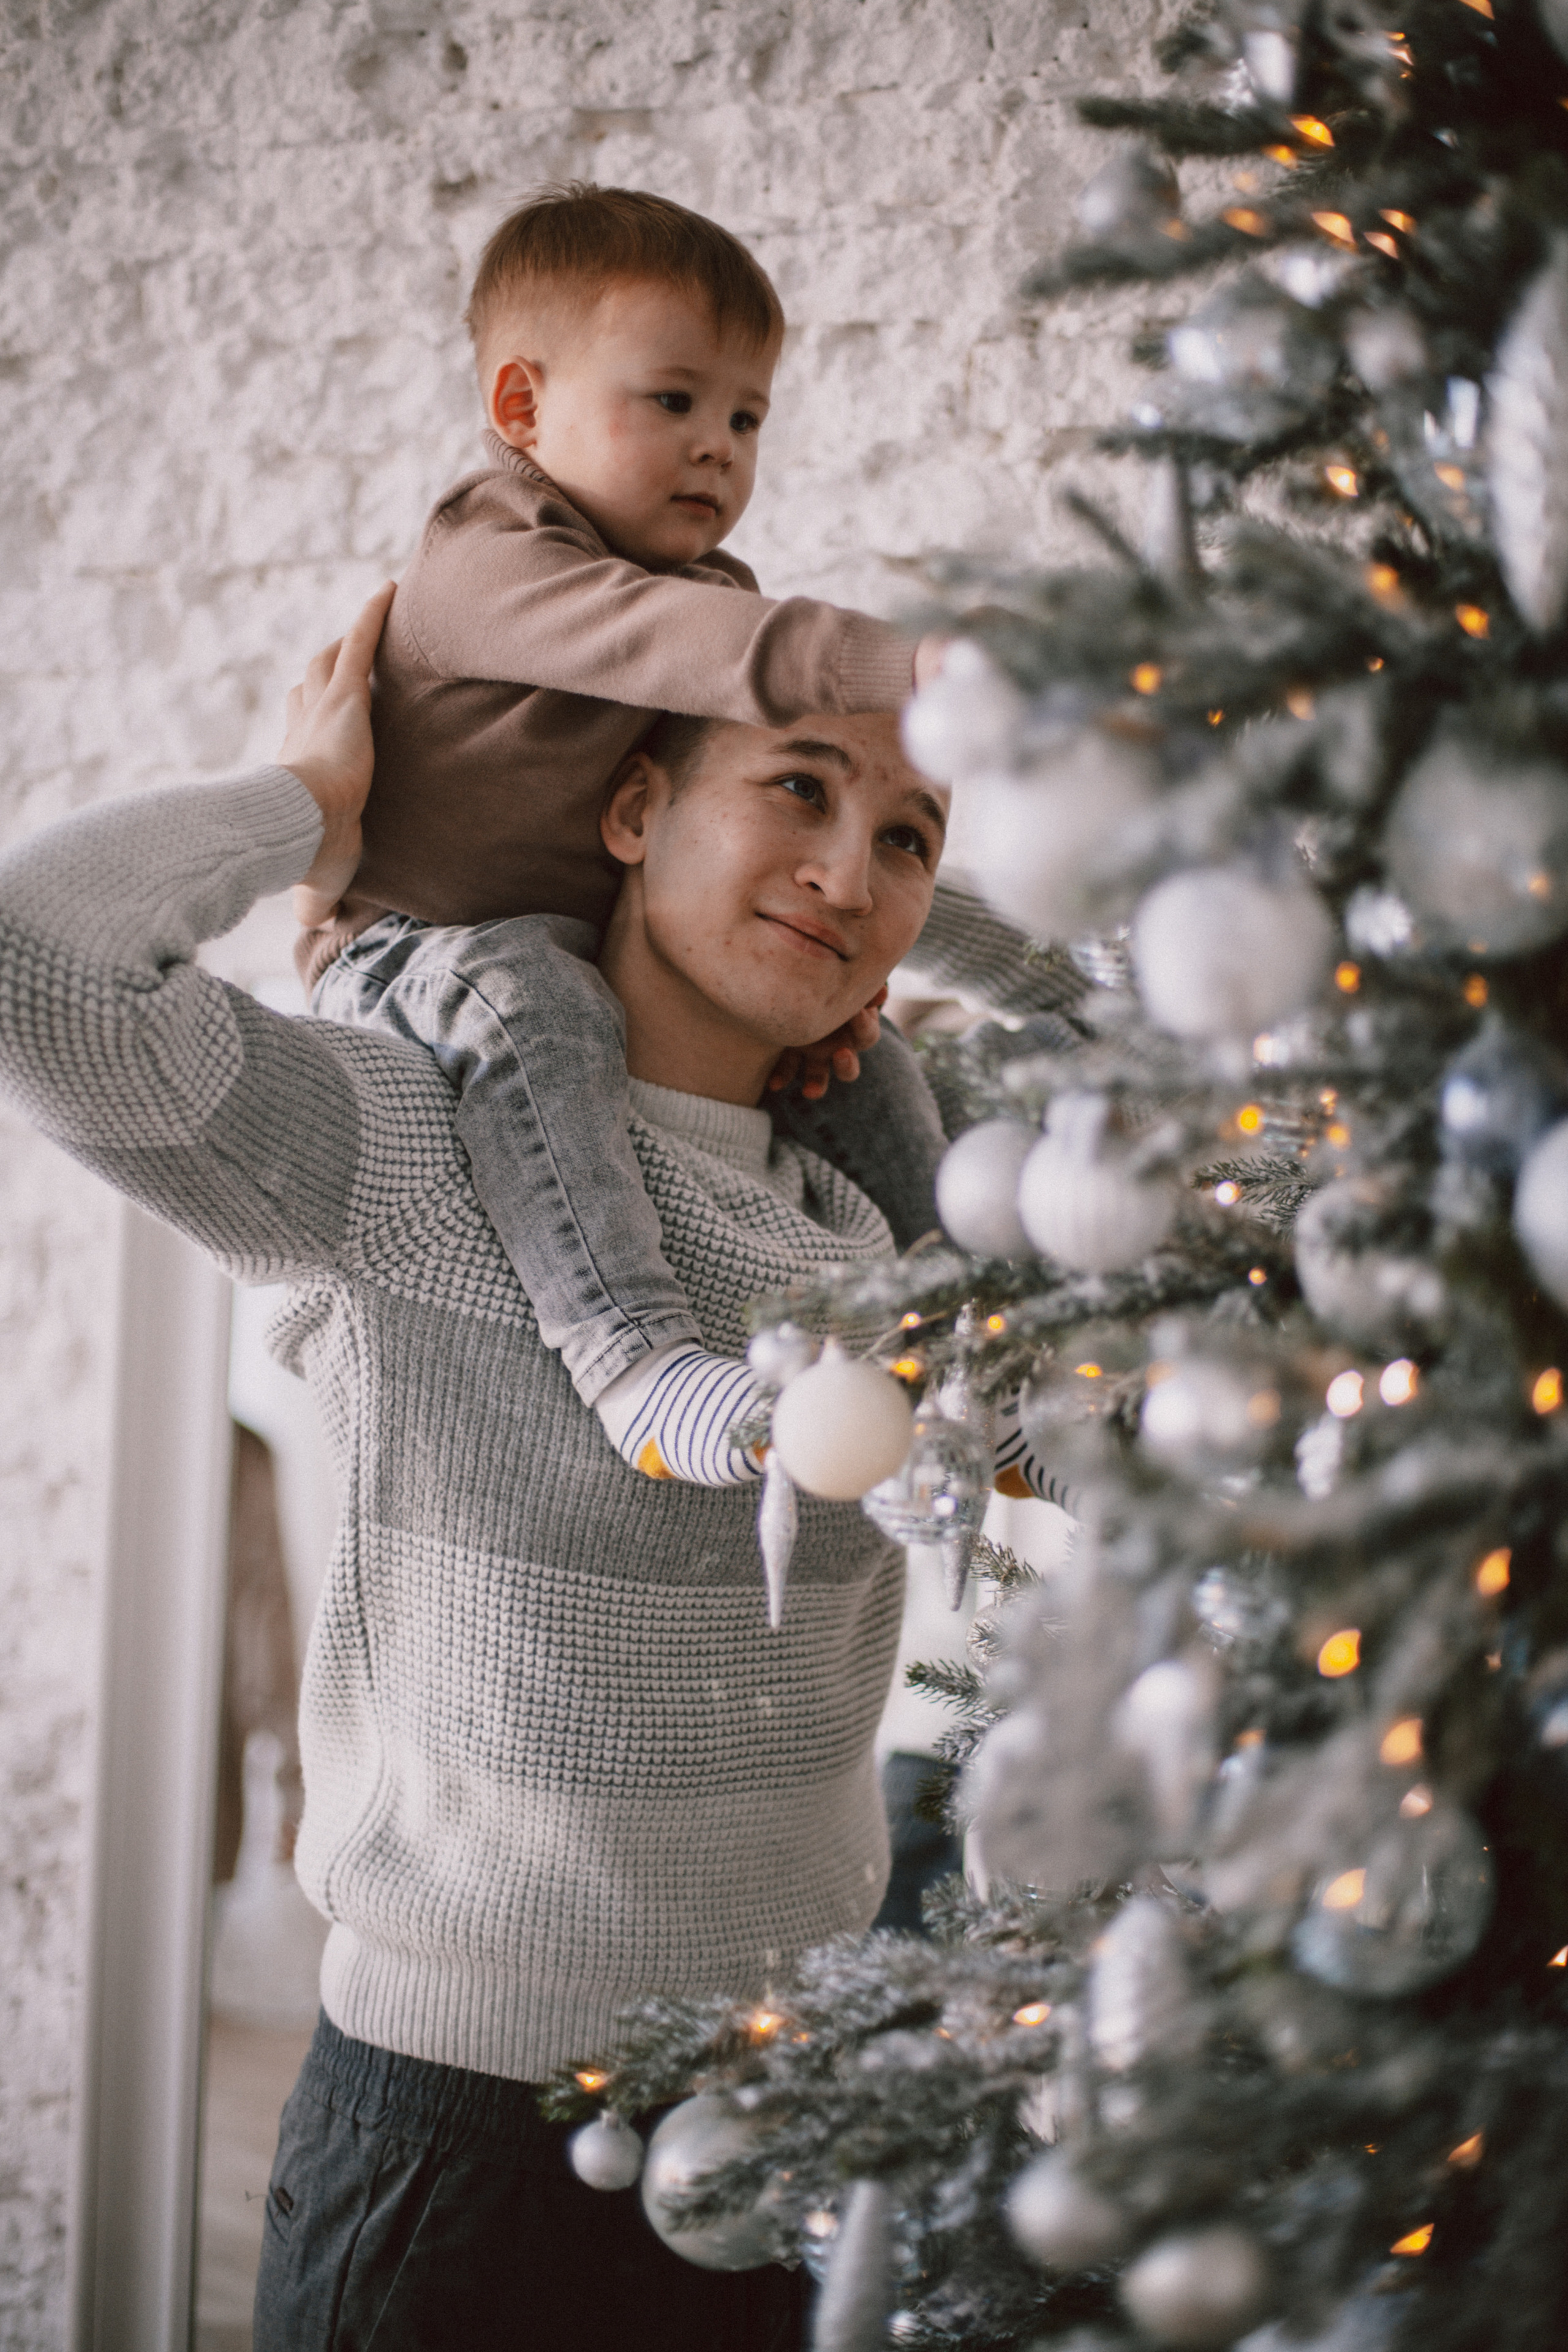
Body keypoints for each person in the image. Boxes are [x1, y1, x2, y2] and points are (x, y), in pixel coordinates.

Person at [0, 594, 1057, 2348]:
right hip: (457, 2143)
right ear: (634, 813)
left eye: (906, 838)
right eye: (793, 789)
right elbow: (43, 960)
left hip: (786, 2128)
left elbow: (1216, 1088)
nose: (848, 871)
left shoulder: (893, 1216)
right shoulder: (410, 1138)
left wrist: (962, 916)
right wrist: (304, 807)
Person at [298, 182, 956, 1493]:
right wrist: (915, 663)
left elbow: (752, 794)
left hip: (560, 962)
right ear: (523, 410)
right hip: (406, 961)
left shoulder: (709, 596)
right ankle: (632, 1361)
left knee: (866, 1071)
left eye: (745, 416)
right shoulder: (492, 566)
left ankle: (982, 1367)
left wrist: (838, 963)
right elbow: (713, 654)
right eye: (674, 401)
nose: (718, 447)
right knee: (531, 993)